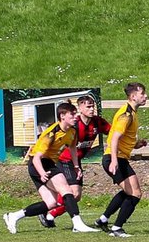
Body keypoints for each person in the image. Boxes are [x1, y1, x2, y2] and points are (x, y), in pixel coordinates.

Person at [3, 103, 100, 234]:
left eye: (75, 113)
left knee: (51, 203)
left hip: (47, 164)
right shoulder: (51, 133)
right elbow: (37, 157)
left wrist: (76, 166)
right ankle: (77, 224)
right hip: (40, 164)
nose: (75, 116)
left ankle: (13, 216)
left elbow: (72, 147)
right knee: (66, 190)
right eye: (72, 114)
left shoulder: (72, 131)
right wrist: (42, 173)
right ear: (62, 116)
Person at [44, 94, 111, 227]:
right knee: (73, 194)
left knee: (77, 196)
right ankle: (51, 215)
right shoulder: (74, 124)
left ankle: (49, 212)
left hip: (75, 161)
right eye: (88, 107)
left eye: (93, 106)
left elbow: (113, 132)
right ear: (80, 108)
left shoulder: (97, 122)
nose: (92, 109)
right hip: (64, 160)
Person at [96, 82, 148, 237]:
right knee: (135, 193)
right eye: (142, 93)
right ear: (133, 96)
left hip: (118, 157)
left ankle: (103, 220)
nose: (146, 96)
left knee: (129, 192)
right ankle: (117, 228)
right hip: (115, 158)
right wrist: (114, 160)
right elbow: (114, 139)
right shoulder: (126, 115)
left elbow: (123, 139)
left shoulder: (132, 113)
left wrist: (137, 144)